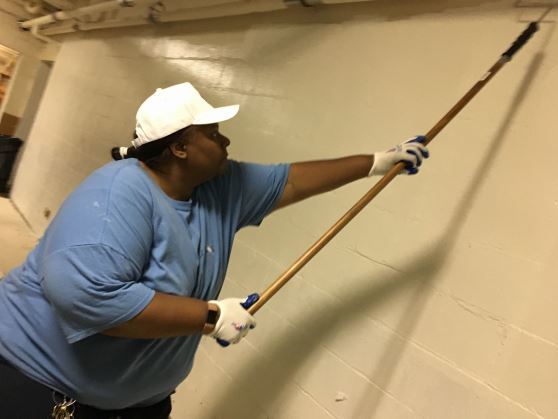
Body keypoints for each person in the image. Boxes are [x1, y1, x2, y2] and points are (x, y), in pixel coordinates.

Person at [0, 82, 429, 418]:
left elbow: (293, 180)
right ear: (180, 148)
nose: (225, 142)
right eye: (212, 133)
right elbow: (90, 299)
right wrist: (211, 316)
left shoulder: (219, 187)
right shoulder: (118, 195)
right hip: (39, 387)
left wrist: (377, 161)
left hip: (137, 404)